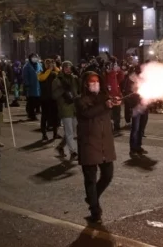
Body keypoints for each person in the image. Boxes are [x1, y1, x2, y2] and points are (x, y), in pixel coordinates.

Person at [76, 72, 120, 223]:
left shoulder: (104, 97)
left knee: (107, 176)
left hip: (105, 144)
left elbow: (108, 104)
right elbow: (87, 113)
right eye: (91, 82)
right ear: (85, 84)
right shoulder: (81, 100)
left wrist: (114, 101)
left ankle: (91, 198)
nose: (95, 84)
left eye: (97, 81)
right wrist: (105, 105)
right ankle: (95, 211)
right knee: (90, 179)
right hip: (88, 143)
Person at [52, 61, 79, 161]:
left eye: (70, 67)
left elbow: (78, 91)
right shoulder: (57, 80)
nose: (68, 69)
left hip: (74, 107)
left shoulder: (74, 78)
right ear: (62, 68)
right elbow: (54, 95)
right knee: (69, 132)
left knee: (73, 131)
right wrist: (63, 89)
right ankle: (73, 152)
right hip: (64, 107)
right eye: (66, 67)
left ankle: (60, 146)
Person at [38, 59, 60, 141]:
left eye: (50, 63)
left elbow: (60, 75)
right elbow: (42, 78)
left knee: (55, 117)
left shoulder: (54, 73)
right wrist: (49, 70)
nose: (49, 65)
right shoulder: (41, 73)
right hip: (45, 98)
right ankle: (44, 134)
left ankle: (55, 133)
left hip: (53, 98)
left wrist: (55, 68)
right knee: (44, 117)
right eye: (47, 64)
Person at [23, 53, 42, 122]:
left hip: (38, 86)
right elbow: (25, 76)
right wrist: (27, 84)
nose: (35, 58)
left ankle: (33, 112)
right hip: (31, 87)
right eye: (33, 57)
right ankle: (31, 114)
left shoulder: (39, 65)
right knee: (31, 101)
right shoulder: (27, 66)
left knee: (37, 101)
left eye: (36, 57)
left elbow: (42, 73)